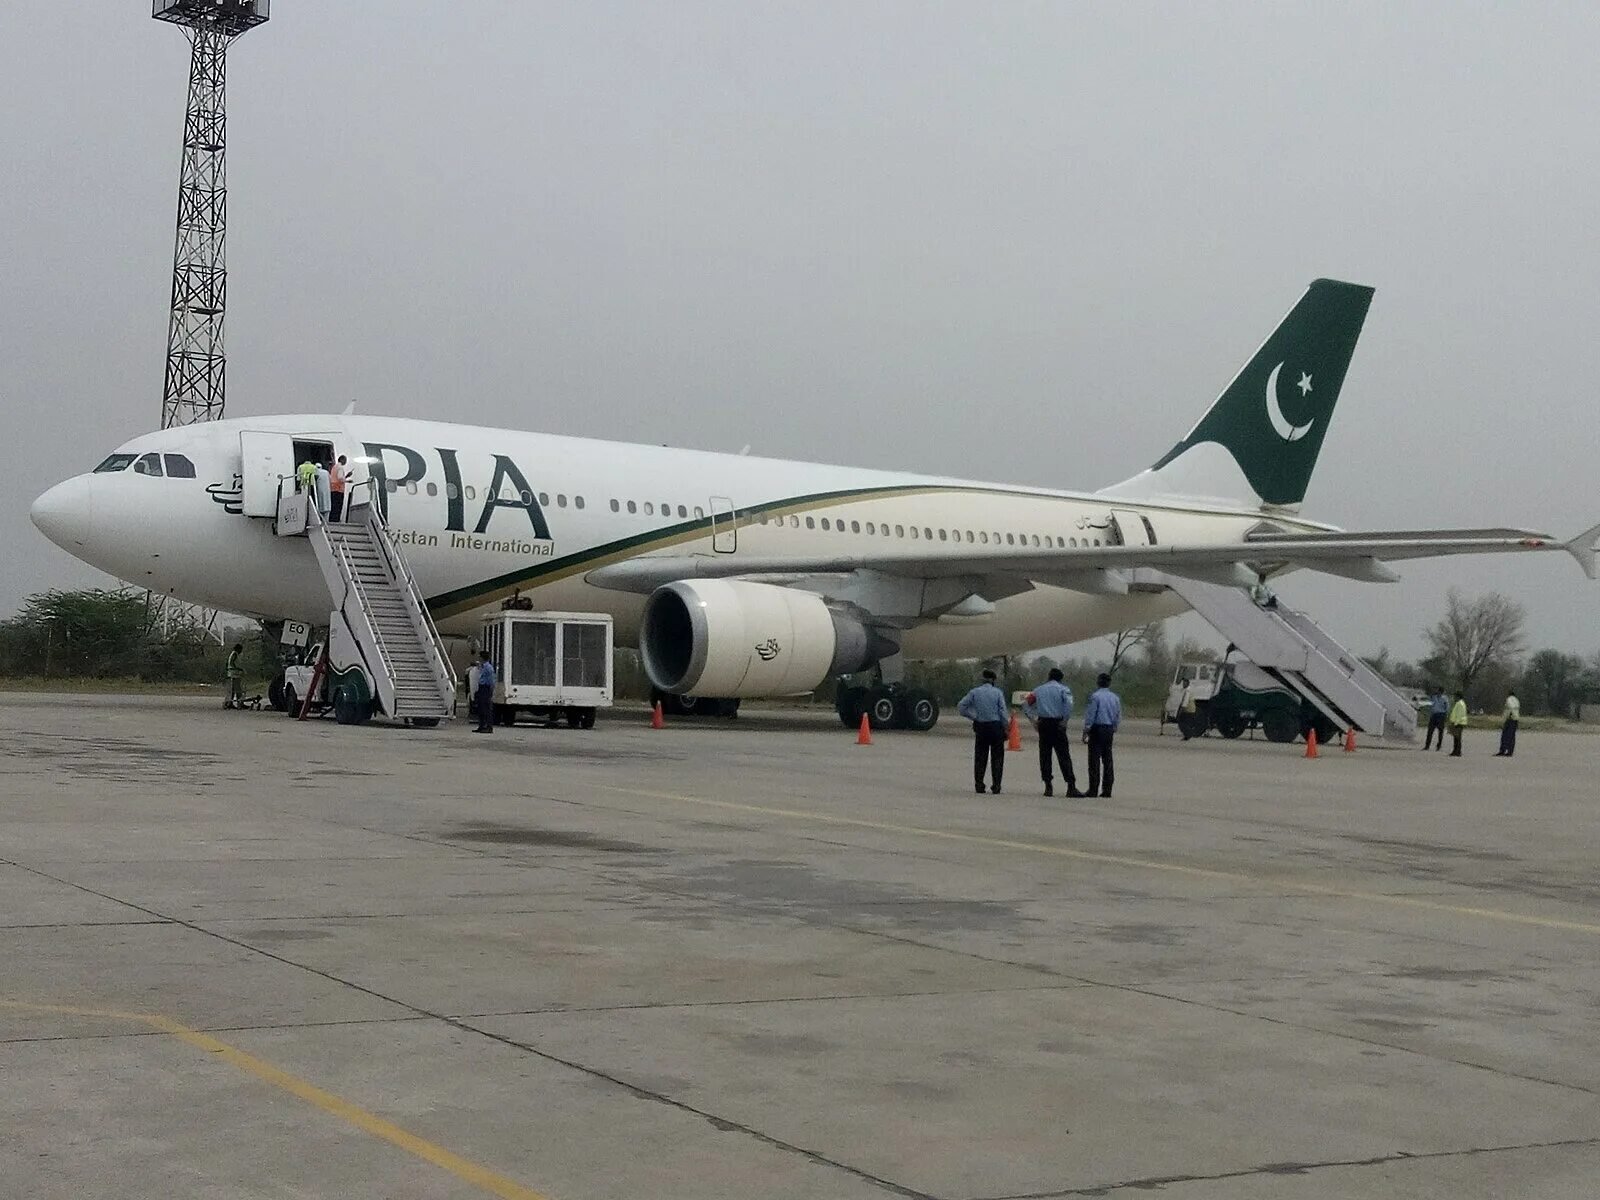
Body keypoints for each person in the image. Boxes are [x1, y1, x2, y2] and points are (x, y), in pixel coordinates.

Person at [1024, 668, 1083, 798]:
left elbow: (1026, 704)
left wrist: (1033, 720)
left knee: (1045, 755)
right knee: (1064, 755)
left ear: (1049, 677)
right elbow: (1069, 705)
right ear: (1060, 679)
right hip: (1058, 724)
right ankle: (1071, 786)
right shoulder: (1063, 690)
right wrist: (1065, 720)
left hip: (1043, 723)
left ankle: (1048, 786)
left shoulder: (1038, 690)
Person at [957, 668, 1010, 795]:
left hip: (981, 726)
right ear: (993, 680)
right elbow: (1002, 711)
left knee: (980, 757)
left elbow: (961, 706)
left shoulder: (975, 692)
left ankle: (979, 785)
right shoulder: (998, 693)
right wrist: (1006, 727)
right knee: (997, 757)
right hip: (996, 726)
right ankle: (996, 786)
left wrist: (974, 716)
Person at [1082, 673, 1122, 798]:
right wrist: (1114, 726)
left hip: (1097, 728)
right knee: (1108, 760)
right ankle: (1107, 790)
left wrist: (1086, 730)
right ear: (1109, 683)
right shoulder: (1115, 698)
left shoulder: (1095, 697)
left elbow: (1091, 714)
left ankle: (1093, 789)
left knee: (1094, 760)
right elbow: (1118, 714)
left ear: (1098, 682)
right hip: (1109, 729)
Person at [473, 652, 497, 733]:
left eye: (479, 657)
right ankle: (481, 726)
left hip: (486, 688)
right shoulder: (483, 667)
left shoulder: (488, 668)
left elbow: (491, 680)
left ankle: (488, 726)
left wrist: (491, 691)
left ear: (482, 658)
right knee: (481, 708)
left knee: (486, 708)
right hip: (481, 687)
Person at [1423, 686, 1449, 751]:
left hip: (1441, 715)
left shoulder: (1444, 698)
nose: (1438, 692)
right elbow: (1430, 704)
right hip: (1434, 715)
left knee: (1440, 732)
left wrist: (1445, 715)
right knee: (1430, 731)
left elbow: (1447, 707)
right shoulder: (1433, 697)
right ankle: (1427, 745)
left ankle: (1439, 746)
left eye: (1439, 691)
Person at [1496, 691, 1521, 757]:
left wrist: (1506, 717)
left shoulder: (1509, 699)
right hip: (1516, 719)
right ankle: (1510, 751)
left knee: (1505, 735)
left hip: (1510, 718)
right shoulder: (1517, 700)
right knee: (1512, 736)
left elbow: (1510, 708)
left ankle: (1503, 750)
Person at [329, 454, 351, 522]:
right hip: (338, 490)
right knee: (338, 507)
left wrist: (346, 476)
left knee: (333, 506)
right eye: (345, 460)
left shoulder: (334, 467)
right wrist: (347, 480)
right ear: (342, 460)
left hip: (333, 489)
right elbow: (340, 478)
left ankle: (332, 520)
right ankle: (336, 520)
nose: (345, 462)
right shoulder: (340, 467)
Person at [1447, 690, 1468, 757]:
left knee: (1457, 738)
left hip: (1459, 723)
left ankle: (1458, 751)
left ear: (1458, 696)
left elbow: (1459, 714)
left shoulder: (1460, 704)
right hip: (1458, 722)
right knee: (1456, 738)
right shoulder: (1459, 703)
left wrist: (1455, 723)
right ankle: (1455, 751)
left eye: (1455, 696)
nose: (1454, 697)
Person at [224, 643, 244, 710]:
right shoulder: (235, 654)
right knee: (238, 689)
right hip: (234, 674)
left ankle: (230, 703)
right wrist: (237, 668)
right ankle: (240, 703)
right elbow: (232, 662)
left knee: (232, 690)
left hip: (232, 673)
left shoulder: (233, 653)